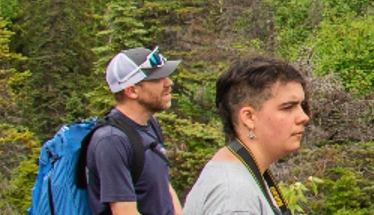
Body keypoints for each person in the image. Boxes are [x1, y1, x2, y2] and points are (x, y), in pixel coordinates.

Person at [184, 58, 311, 215]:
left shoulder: (240, 175)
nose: (304, 117)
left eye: (301, 106)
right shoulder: (233, 195)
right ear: (249, 118)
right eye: (287, 107)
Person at [88, 47, 186, 215]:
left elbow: (164, 186)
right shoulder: (112, 141)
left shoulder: (150, 124)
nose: (169, 83)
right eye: (157, 79)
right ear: (132, 91)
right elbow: (124, 211)